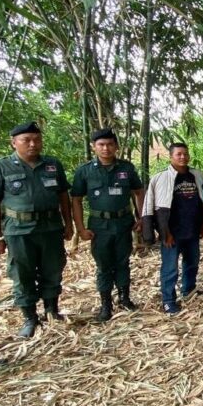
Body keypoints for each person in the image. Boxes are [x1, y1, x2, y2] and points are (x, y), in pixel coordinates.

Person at [0, 122, 74, 338]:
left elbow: (63, 195)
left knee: (52, 269)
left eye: (37, 139)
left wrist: (68, 224)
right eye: (27, 140)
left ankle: (52, 310)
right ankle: (30, 317)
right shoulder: (0, 167)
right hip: (18, 230)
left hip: (50, 227)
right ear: (14, 142)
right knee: (22, 273)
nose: (33, 144)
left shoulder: (52, 164)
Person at [71, 128, 145, 322]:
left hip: (123, 222)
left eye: (110, 144)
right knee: (104, 265)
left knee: (123, 261)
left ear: (116, 147)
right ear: (94, 147)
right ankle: (106, 304)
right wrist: (80, 229)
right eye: (101, 145)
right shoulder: (85, 171)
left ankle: (124, 298)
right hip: (99, 225)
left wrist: (142, 217)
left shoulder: (126, 168)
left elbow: (138, 192)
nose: (106, 148)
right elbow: (76, 200)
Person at [142, 142, 203, 314]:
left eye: (185, 154)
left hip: (192, 230)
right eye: (178, 154)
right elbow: (150, 206)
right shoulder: (160, 178)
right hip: (172, 233)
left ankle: (189, 290)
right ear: (171, 156)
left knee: (192, 263)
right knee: (170, 268)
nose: (182, 157)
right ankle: (169, 300)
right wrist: (162, 234)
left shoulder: (196, 175)